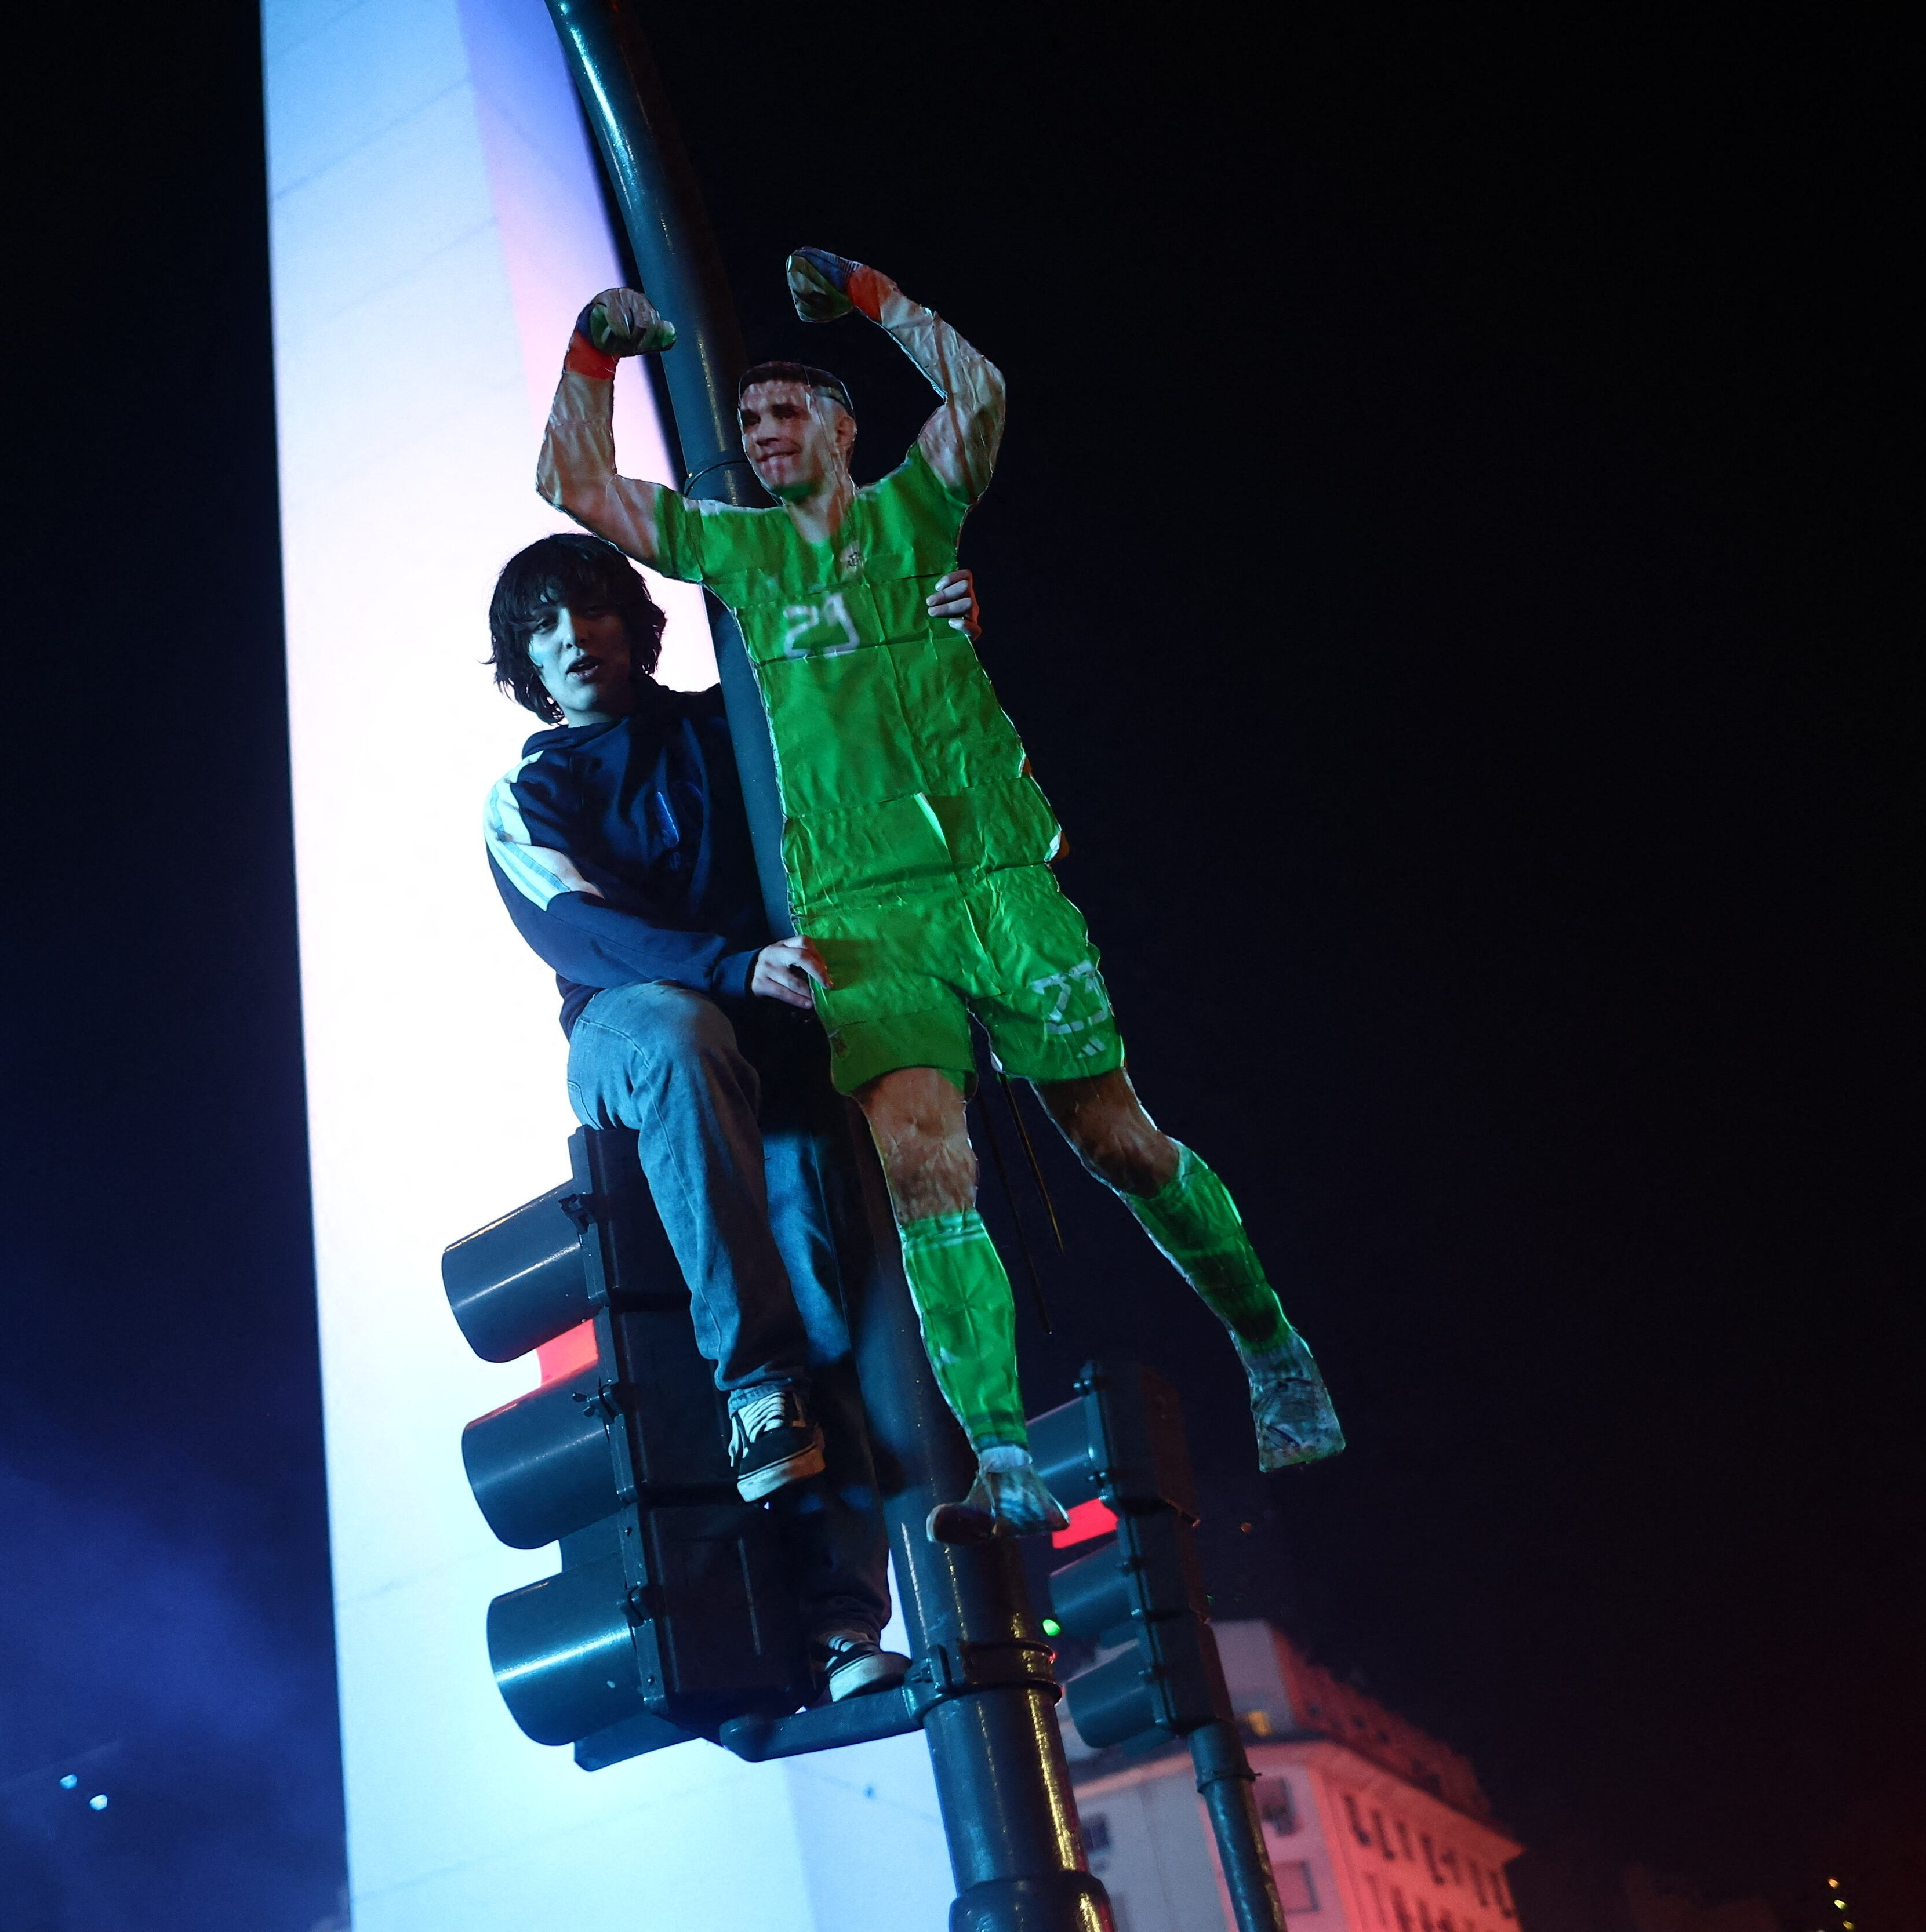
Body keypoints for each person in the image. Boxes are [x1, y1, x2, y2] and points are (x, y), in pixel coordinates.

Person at [535, 254, 1344, 1537]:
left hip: (999, 879)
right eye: (746, 421)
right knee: (927, 1170)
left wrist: (869, 296)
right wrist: (593, 348)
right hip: (862, 910)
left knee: (1119, 1144)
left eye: (787, 410)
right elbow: (572, 484)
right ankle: (1004, 1455)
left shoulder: (921, 517)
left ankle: (1271, 1346)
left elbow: (983, 391)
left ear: (847, 430)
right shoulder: (736, 553)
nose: (760, 431)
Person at [478, 532, 978, 1700]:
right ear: (524, 662)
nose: (574, 636)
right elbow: (579, 931)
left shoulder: (728, 732)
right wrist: (729, 961)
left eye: (593, 610)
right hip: (631, 1035)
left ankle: (842, 1624)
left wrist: (939, 640)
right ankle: (752, 1382)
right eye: (545, 626)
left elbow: (863, 747)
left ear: (631, 624)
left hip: (772, 1056)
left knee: (828, 1301)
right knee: (671, 1024)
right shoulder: (530, 790)